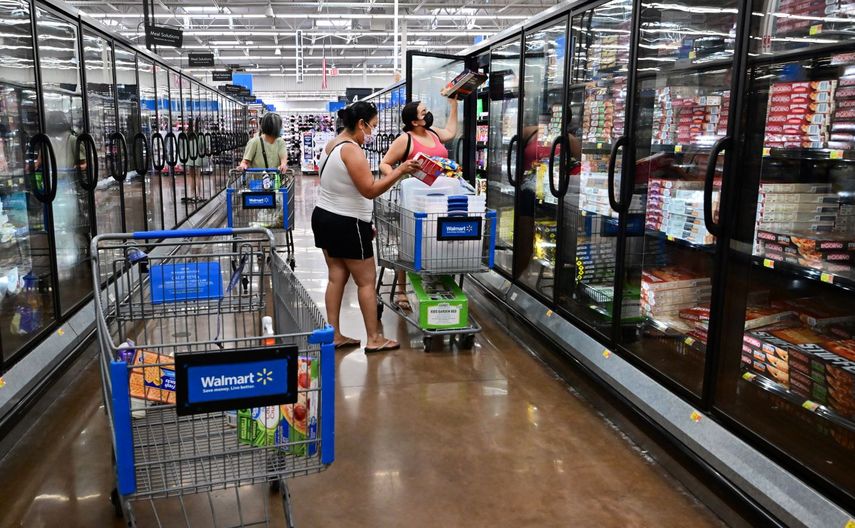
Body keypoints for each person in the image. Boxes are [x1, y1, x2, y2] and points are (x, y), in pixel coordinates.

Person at [312, 101, 419, 352]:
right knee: (366, 282)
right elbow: (370, 190)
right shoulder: (351, 150)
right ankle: (374, 338)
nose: (372, 133)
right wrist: (400, 170)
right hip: (347, 223)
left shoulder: (332, 145)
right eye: (372, 126)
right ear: (361, 124)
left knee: (336, 277)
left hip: (324, 217)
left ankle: (334, 334)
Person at [379, 99, 459, 309]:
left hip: (442, 198)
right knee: (408, 241)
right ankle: (402, 291)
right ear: (415, 121)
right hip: (415, 199)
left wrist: (454, 105)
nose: (428, 114)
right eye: (424, 112)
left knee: (438, 239)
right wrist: (400, 175)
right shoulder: (405, 139)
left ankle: (437, 280)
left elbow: (450, 131)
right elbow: (385, 163)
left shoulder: (433, 134)